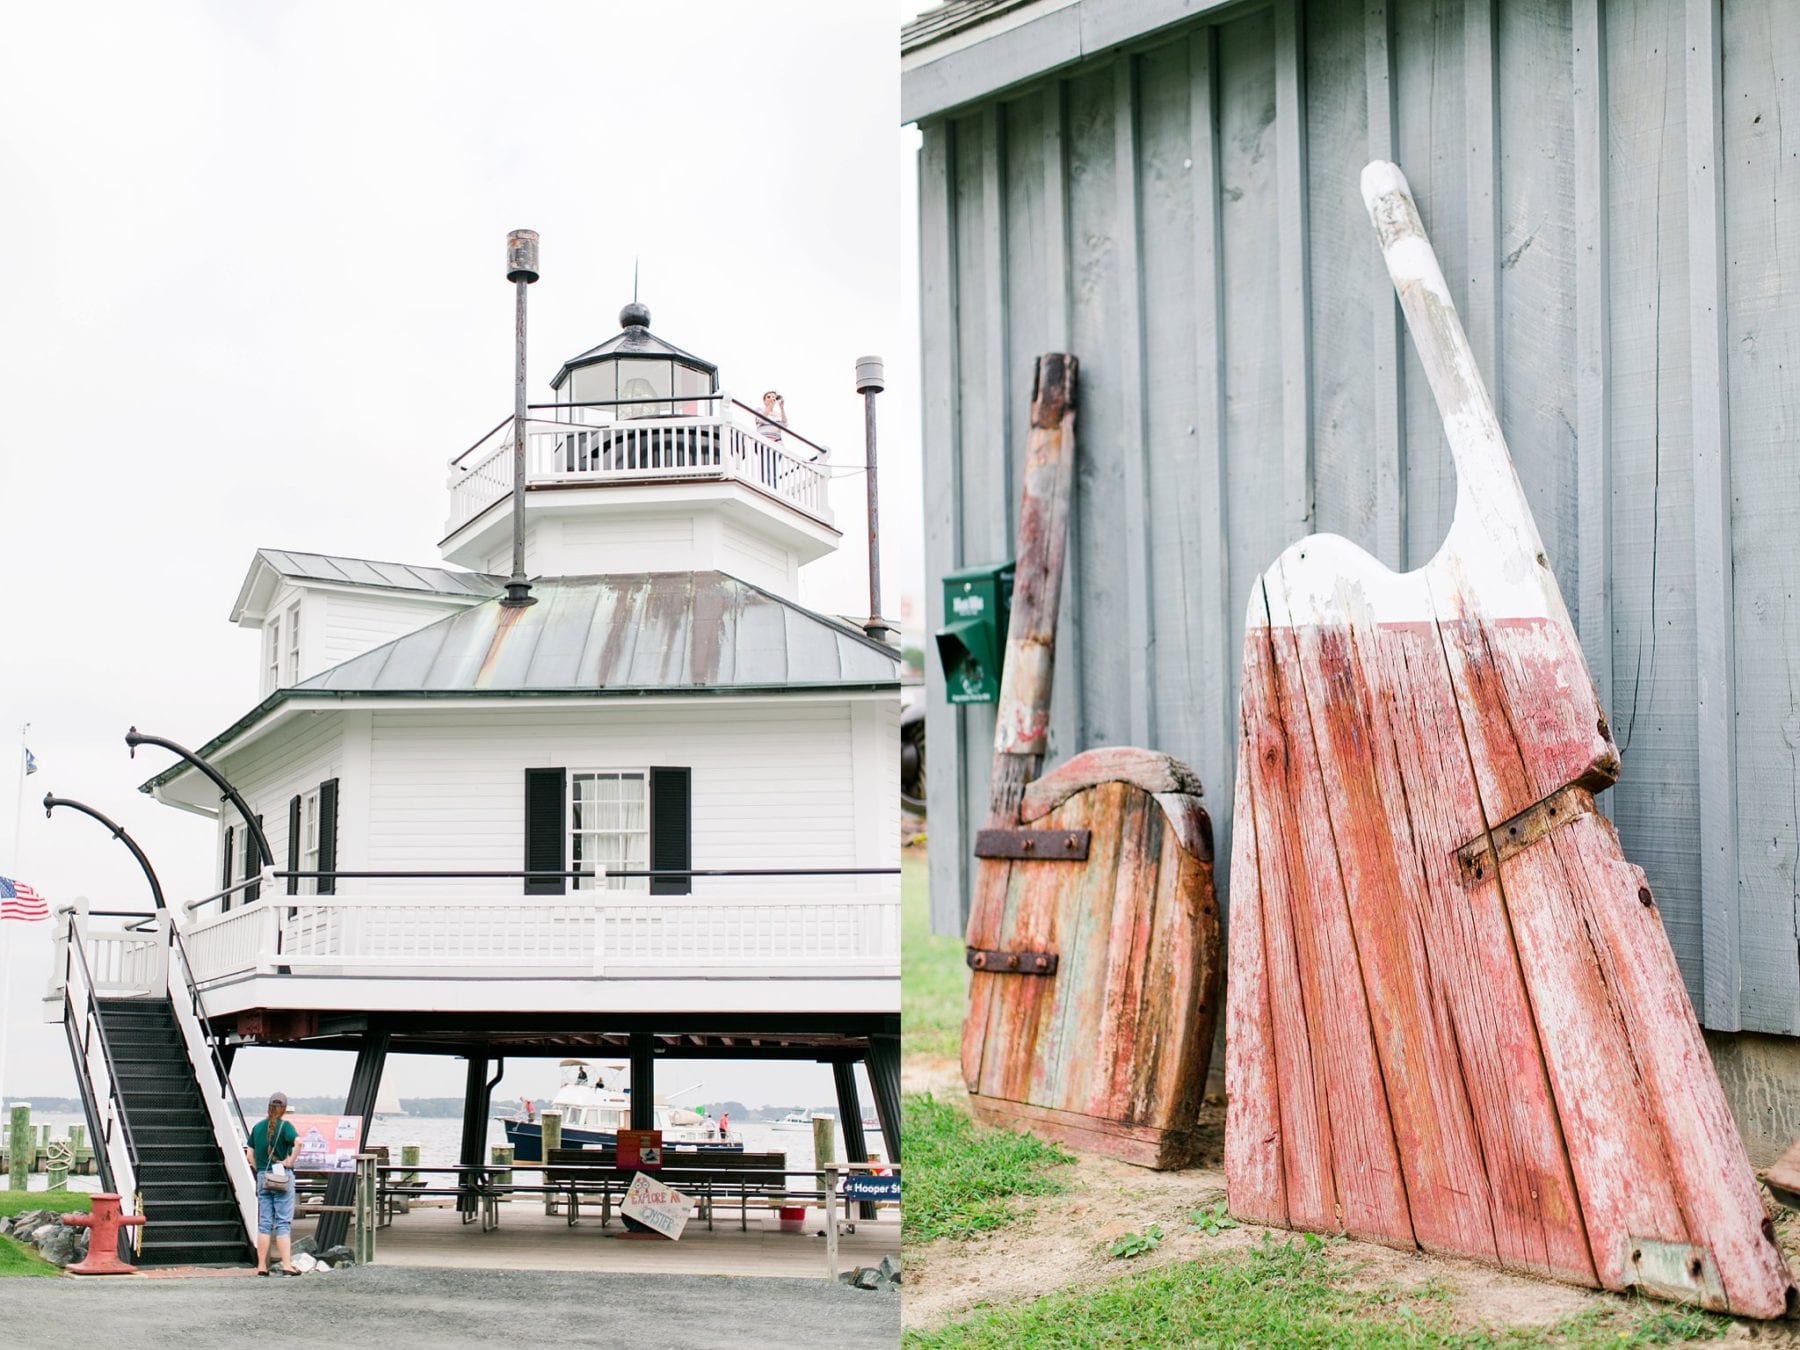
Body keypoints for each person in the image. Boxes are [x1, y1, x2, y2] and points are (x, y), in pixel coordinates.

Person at [245, 1091, 300, 1275]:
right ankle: (286, 1265)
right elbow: (299, 1143)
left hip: (263, 1177)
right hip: (282, 1176)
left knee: (264, 1223)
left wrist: (258, 1169)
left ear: (268, 1107)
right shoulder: (285, 1127)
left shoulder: (258, 1127)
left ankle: (261, 1266)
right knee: (283, 1223)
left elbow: (249, 1154)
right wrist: (289, 1162)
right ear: (283, 1109)